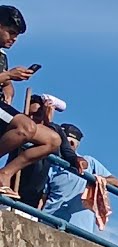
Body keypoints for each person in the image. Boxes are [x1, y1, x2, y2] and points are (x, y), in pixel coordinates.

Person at [0, 6, 67, 200]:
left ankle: (4, 174)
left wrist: (9, 84)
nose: (14, 39)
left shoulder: (2, 55)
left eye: (17, 35)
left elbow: (6, 83)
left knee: (52, 140)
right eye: (11, 33)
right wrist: (8, 75)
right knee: (25, 127)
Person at [43, 123, 118, 230]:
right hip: (49, 222)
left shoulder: (90, 162)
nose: (67, 145)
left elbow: (116, 182)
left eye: (71, 143)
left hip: (80, 229)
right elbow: (43, 197)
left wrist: (98, 180)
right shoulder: (51, 163)